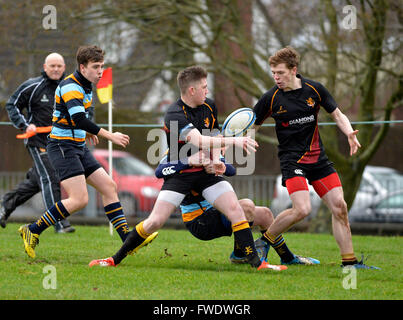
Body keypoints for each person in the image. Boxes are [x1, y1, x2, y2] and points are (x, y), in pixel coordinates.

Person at [88, 65, 275, 270]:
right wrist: (233, 142)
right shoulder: (174, 114)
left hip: (204, 173)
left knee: (236, 209)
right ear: (191, 90)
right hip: (182, 174)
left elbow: (213, 138)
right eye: (204, 87)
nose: (207, 91)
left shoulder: (209, 106)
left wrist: (217, 161)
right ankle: (113, 259)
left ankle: (258, 264)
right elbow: (199, 140)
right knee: (155, 221)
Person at [252, 46, 378, 269]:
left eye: (280, 72)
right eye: (273, 73)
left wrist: (349, 132)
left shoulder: (314, 89)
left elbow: (337, 114)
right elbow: (251, 124)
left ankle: (349, 263)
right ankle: (263, 242)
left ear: (293, 70)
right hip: (292, 161)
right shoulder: (271, 98)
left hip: (318, 160)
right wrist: (247, 139)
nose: (276, 77)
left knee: (340, 206)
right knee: (303, 209)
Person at [18, 45, 131, 258]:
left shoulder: (86, 85)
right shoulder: (71, 86)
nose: (100, 71)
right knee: (79, 200)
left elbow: (77, 118)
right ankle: (31, 230)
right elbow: (79, 118)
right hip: (62, 148)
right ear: (82, 67)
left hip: (78, 146)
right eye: (96, 67)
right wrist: (110, 135)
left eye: (102, 66)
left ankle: (128, 239)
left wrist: (87, 131)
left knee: (109, 186)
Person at [152, 152, 320, 265]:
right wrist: (187, 163)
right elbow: (159, 171)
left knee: (266, 215)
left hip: (217, 211)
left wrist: (220, 167)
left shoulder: (209, 148)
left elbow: (230, 169)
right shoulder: (175, 150)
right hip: (199, 221)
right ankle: (241, 254)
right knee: (246, 205)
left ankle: (288, 258)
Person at [1, 53, 74, 233]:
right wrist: (24, 125)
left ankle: (5, 205)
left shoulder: (70, 88)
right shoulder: (32, 86)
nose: (56, 69)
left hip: (60, 143)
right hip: (37, 141)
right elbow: (12, 104)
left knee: (36, 181)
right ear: (45, 67)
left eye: (59, 66)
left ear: (64, 68)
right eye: (52, 66)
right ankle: (60, 223)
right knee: (51, 178)